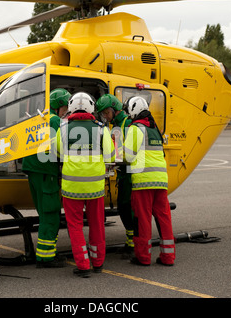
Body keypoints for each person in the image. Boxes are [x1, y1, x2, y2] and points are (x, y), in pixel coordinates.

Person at [56, 92, 115, 277]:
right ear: (91, 108)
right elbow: (111, 156)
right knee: (97, 224)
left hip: (71, 187)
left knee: (75, 226)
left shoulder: (63, 128)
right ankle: (98, 262)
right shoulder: (100, 128)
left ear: (71, 107)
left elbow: (58, 152)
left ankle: (83, 265)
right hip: (95, 187)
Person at [123, 96, 175, 266]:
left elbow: (128, 156)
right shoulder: (155, 129)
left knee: (142, 220)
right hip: (161, 180)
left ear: (133, 110)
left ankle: (143, 257)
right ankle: (168, 257)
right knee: (164, 219)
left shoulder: (135, 129)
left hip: (143, 181)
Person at [21, 88, 71, 268]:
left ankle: (44, 255)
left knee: (43, 212)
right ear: (59, 106)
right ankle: (46, 258)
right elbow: (62, 145)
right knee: (51, 214)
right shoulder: (55, 120)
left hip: (33, 170)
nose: (67, 111)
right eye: (65, 107)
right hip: (46, 171)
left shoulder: (39, 117)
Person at [96, 94, 135, 256]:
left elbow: (130, 152)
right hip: (122, 173)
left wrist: (116, 160)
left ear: (114, 109)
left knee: (128, 209)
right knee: (124, 208)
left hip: (130, 175)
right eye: (103, 114)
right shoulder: (116, 125)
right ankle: (131, 241)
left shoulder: (127, 124)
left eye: (106, 112)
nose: (105, 116)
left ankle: (133, 245)